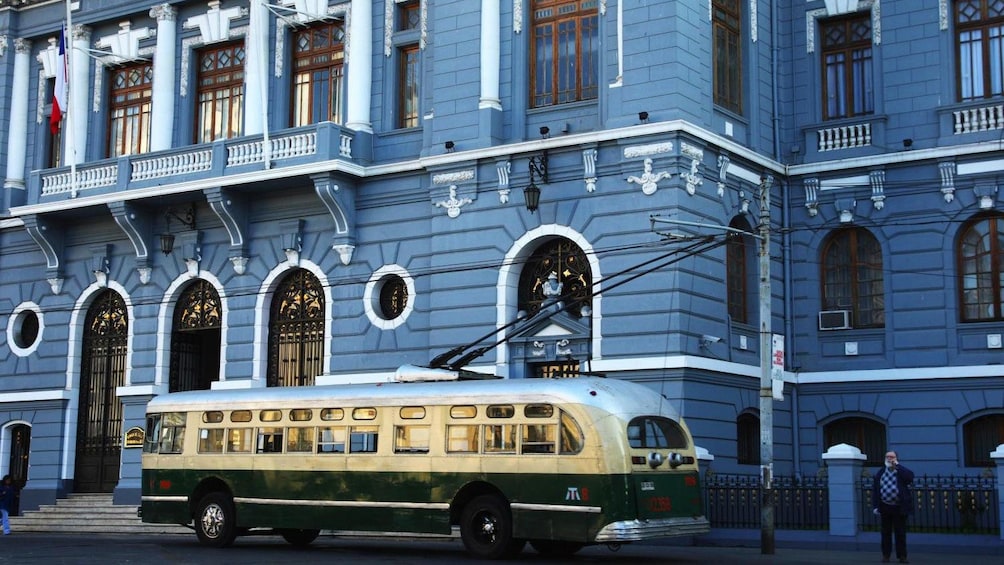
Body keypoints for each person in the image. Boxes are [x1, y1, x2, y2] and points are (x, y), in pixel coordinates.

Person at [872, 451, 914, 564]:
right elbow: (876, 489)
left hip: (899, 507)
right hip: (885, 506)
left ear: (896, 458)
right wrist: (876, 505)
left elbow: (910, 477)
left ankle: (902, 556)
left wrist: (898, 466)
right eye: (887, 457)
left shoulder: (900, 471)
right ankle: (886, 555)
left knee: (900, 533)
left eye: (892, 457)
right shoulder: (881, 472)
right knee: (885, 533)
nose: (889, 459)